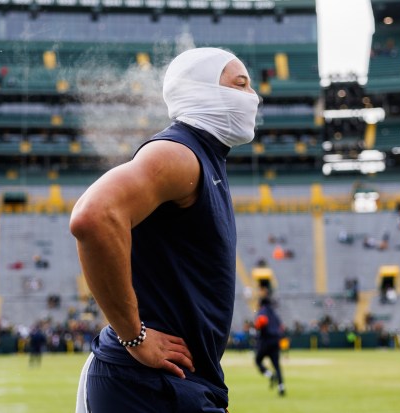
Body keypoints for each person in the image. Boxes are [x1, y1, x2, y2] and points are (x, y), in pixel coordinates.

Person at [70, 47, 260, 413]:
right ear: (201, 90)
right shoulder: (180, 155)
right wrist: (134, 335)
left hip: (171, 383)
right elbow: (93, 216)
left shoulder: (204, 158)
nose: (253, 98)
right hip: (147, 387)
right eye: (240, 85)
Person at [253, 294, 286, 396]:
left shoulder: (263, 311)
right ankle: (281, 388)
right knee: (277, 366)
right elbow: (281, 327)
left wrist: (258, 329)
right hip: (275, 342)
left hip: (265, 341)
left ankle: (270, 375)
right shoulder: (274, 313)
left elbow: (261, 321)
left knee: (258, 360)